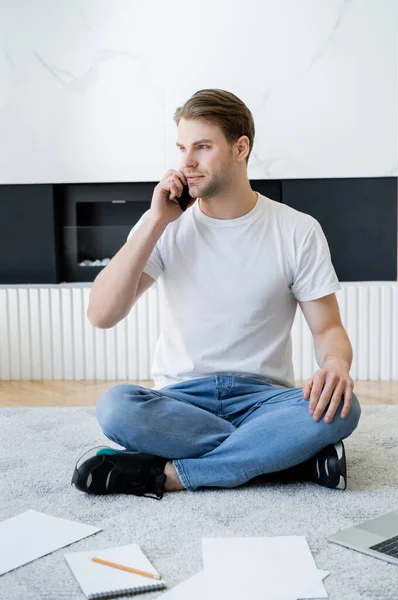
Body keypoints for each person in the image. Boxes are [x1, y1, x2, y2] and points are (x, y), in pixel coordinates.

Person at [72, 89, 361, 500]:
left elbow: (328, 327)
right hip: (180, 402)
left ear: (240, 148)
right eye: (182, 148)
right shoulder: (163, 224)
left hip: (265, 400)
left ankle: (171, 474)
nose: (186, 163)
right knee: (116, 406)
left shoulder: (297, 229)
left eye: (202, 147)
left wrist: (335, 365)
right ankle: (283, 458)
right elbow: (101, 314)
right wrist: (155, 221)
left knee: (344, 408)